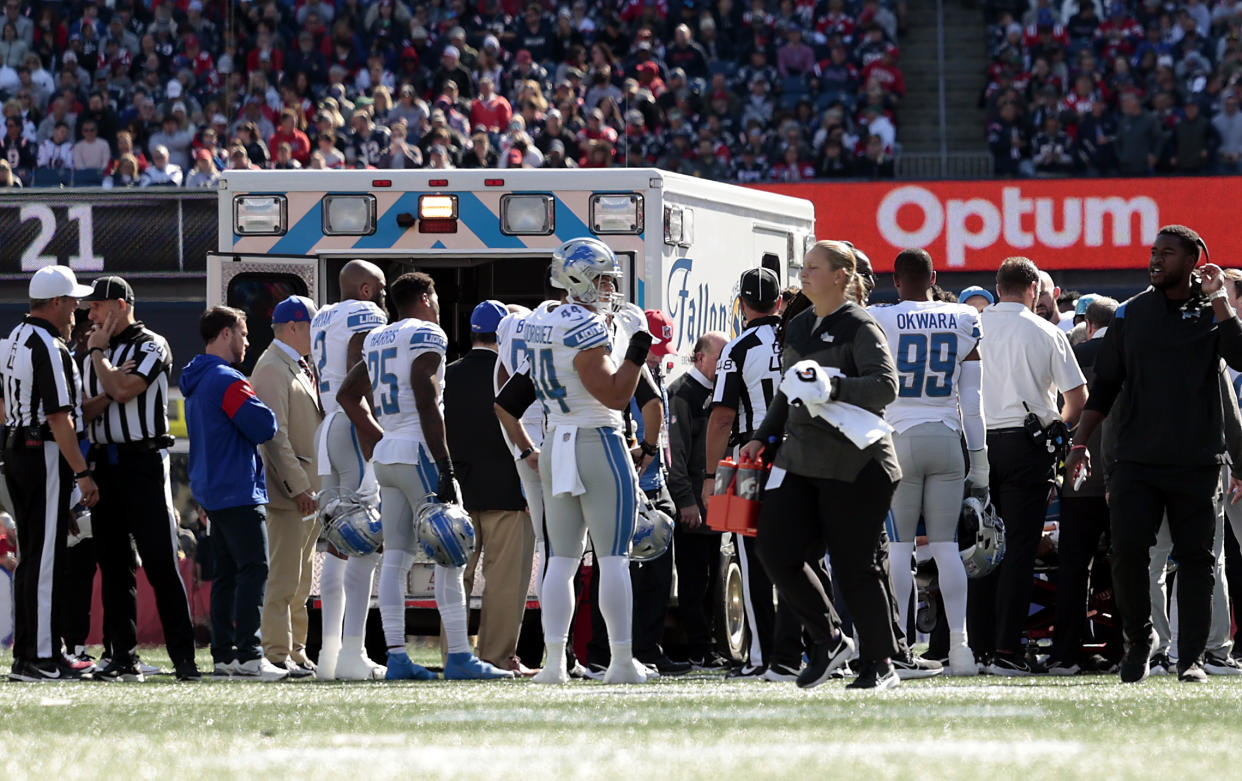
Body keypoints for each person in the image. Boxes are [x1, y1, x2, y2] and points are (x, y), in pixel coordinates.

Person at [1065, 225, 1242, 683]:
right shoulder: (1129, 314)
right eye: (1153, 252)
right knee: (1126, 554)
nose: (1156, 259)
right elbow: (1105, 387)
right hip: (1136, 461)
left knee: (1198, 560)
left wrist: (1220, 297)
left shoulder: (1212, 312)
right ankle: (1140, 642)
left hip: (1198, 460)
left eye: (1168, 253)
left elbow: (1240, 355)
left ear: (1194, 260)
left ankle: (1192, 659)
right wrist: (1081, 441)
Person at [744, 240, 905, 690]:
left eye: (814, 267)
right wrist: (763, 436)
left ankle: (881, 662)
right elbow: (787, 389)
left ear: (840, 275)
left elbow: (885, 387)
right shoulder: (796, 326)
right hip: (802, 459)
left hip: (857, 461)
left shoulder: (859, 324)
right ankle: (829, 638)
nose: (804, 274)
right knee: (775, 550)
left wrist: (834, 388)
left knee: (855, 566)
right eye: (804, 266)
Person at [493, 237, 654, 685]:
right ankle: (621, 662)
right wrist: (638, 353)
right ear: (579, 278)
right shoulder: (587, 326)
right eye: (602, 279)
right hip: (597, 438)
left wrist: (527, 449)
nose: (608, 287)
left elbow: (506, 401)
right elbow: (617, 394)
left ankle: (553, 663)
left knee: (560, 559)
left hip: (556, 439)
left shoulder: (541, 321)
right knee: (614, 557)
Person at [337, 273, 512, 682]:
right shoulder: (428, 333)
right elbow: (425, 392)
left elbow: (348, 394)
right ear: (425, 297)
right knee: (451, 551)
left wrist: (378, 432)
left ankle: (397, 656)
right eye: (433, 295)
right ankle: (459, 657)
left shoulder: (378, 337)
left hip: (388, 453)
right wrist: (445, 464)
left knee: (395, 558)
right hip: (417, 451)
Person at [868, 248, 985, 677]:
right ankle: (961, 650)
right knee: (947, 549)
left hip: (898, 436)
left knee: (899, 550)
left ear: (896, 280)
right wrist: (982, 463)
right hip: (946, 436)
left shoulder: (879, 316)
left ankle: (900, 645)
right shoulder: (963, 318)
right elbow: (972, 403)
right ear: (934, 277)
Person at [78, 276, 199, 683]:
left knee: (161, 561)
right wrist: (110, 381)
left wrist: (102, 364)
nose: (90, 314)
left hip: (143, 464)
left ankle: (184, 657)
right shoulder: (93, 350)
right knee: (113, 565)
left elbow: (127, 388)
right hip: (104, 464)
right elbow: (85, 411)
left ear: (119, 305)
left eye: (96, 306)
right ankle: (121, 656)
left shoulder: (151, 344)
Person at [974, 257, 1087, 675]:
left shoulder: (974, 326)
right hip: (1028, 446)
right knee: (1019, 549)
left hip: (978, 444)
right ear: (1034, 290)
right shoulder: (1045, 331)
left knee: (980, 548)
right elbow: (1078, 398)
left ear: (996, 286)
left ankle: (979, 647)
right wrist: (1059, 427)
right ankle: (1006, 648)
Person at [701, 266, 802, 681]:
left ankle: (763, 655)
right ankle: (815, 649)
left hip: (751, 457)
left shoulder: (738, 347)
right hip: (803, 453)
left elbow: (723, 417)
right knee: (803, 557)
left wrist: (710, 475)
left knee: (750, 556)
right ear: (779, 301)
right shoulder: (800, 334)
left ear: (741, 304)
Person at [180, 306, 287, 681]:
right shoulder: (227, 380)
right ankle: (249, 655)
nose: (247, 341)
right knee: (255, 569)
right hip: (238, 489)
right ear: (225, 334)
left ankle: (225, 656)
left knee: (226, 575)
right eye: (242, 334)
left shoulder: (198, 377)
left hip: (212, 490)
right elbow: (263, 426)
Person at [2, 266, 98, 681]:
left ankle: (34, 650)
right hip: (41, 452)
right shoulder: (49, 345)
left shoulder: (13, 338)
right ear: (56, 302)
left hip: (17, 449)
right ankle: (40, 656)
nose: (78, 307)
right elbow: (60, 417)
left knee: (33, 556)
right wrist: (82, 473)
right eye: (73, 300)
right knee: (44, 560)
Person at [443, 300, 535, 675]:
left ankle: (455, 656)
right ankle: (497, 657)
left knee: (455, 579)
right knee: (504, 582)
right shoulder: (513, 378)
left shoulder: (446, 374)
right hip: (508, 492)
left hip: (458, 492)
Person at [307, 260, 388, 681]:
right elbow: (361, 367)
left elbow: (324, 374)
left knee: (339, 541)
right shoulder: (367, 314)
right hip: (354, 423)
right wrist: (374, 426)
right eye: (380, 287)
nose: (384, 296)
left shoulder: (322, 315)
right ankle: (353, 652)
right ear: (364, 289)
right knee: (365, 538)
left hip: (330, 426)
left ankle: (329, 655)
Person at [250, 296, 322, 679]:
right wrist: (297, 487)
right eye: (313, 326)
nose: (318, 335)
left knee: (301, 578)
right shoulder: (272, 369)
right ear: (294, 326)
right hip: (290, 495)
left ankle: (295, 648)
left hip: (306, 493)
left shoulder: (294, 365)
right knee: (283, 576)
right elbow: (274, 436)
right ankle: (276, 651)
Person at [1048, 295, 1120, 676]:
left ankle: (1065, 652)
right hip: (1122, 475)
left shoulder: (1075, 354)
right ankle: (1124, 648)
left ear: (1088, 325)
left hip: (1077, 477)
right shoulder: (1131, 352)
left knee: (1075, 568)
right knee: (1128, 565)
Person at [666, 330, 729, 669]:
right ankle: (698, 648)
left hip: (716, 502)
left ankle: (711, 645)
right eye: (719, 357)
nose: (724, 364)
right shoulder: (682, 394)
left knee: (712, 578)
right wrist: (686, 501)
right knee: (693, 579)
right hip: (694, 503)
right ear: (699, 357)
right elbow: (675, 455)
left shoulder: (720, 391)